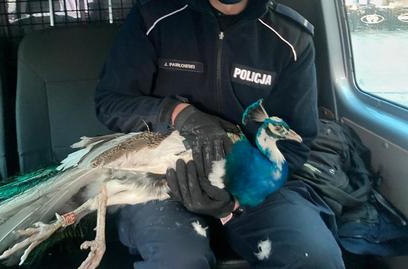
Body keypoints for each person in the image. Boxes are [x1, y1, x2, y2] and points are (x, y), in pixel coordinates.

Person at [95, 0, 345, 268]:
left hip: (255, 182)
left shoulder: (292, 37)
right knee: (178, 262)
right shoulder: (152, 18)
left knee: (315, 258)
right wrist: (179, 113)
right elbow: (111, 103)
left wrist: (236, 198)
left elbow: (295, 144)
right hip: (163, 178)